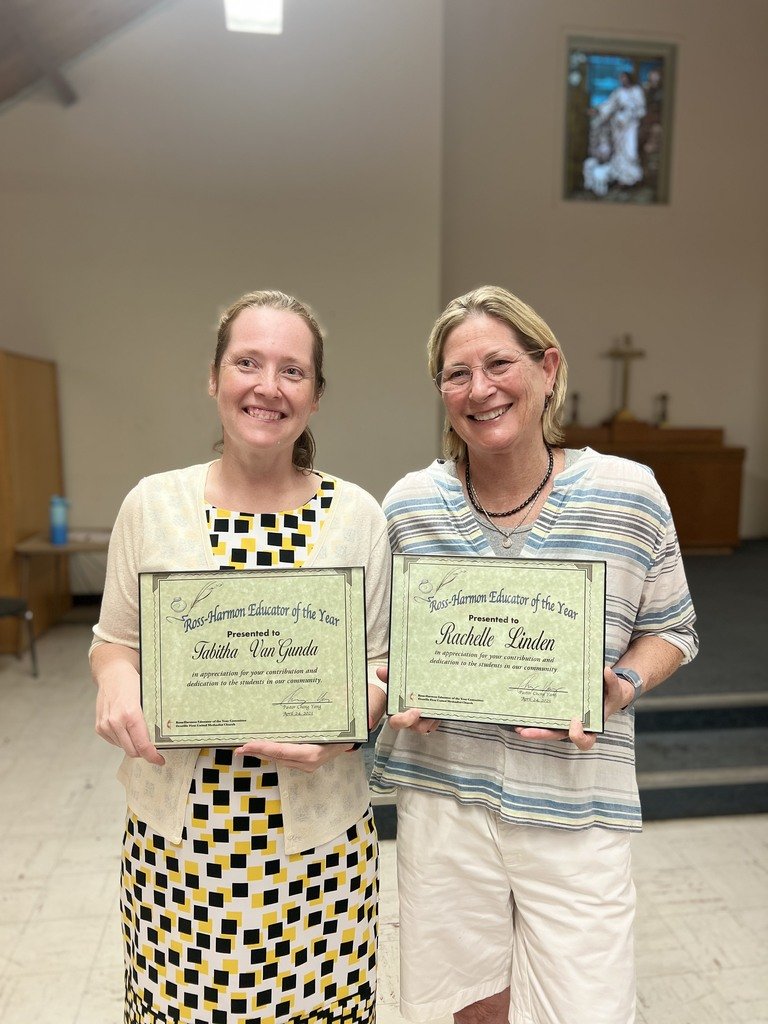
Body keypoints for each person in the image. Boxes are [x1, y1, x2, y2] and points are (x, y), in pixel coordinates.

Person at [371, 285, 698, 1024]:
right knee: (465, 1008)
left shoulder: (628, 494)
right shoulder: (408, 507)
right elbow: (382, 650)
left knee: (588, 1008)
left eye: (498, 363)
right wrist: (394, 687)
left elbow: (673, 629)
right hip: (445, 796)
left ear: (547, 367)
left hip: (578, 803)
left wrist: (617, 685)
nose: (479, 389)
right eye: (457, 374)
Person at [91, 290, 390, 1024]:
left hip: (317, 845)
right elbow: (114, 643)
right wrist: (117, 683)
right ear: (214, 378)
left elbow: (380, 669)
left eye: (293, 370)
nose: (267, 386)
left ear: (316, 395)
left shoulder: (357, 516)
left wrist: (347, 727)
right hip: (181, 848)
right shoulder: (152, 506)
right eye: (247, 362)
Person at [583, 70, 646, 197]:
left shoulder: (637, 91)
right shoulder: (618, 92)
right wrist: (597, 110)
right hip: (618, 126)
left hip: (631, 126)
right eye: (621, 78)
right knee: (619, 151)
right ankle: (621, 179)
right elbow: (609, 105)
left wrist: (630, 114)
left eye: (624, 78)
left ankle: (632, 179)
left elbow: (641, 109)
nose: (623, 80)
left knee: (630, 150)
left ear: (629, 78)